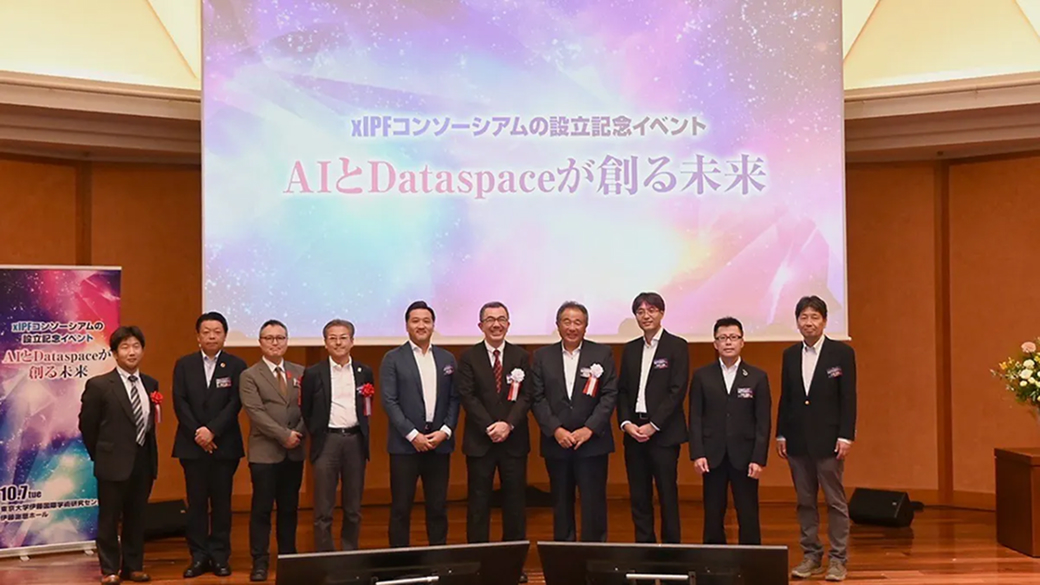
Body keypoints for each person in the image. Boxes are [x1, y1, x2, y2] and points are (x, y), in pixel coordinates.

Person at [777, 296, 857, 582]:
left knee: (835, 501)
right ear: (797, 321)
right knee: (805, 501)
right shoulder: (789, 354)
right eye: (804, 317)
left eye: (814, 317)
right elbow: (786, 397)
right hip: (797, 440)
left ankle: (838, 559)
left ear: (824, 321)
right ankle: (811, 555)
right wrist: (781, 433)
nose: (809, 323)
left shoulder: (841, 353)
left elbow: (848, 398)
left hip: (829, 440)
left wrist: (846, 435)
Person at [456, 302, 531, 581]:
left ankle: (513, 566)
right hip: (481, 441)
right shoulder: (468, 357)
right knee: (478, 505)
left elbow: (527, 396)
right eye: (490, 319)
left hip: (513, 440)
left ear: (508, 324)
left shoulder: (522, 356)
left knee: (515, 506)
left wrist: (507, 424)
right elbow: (467, 396)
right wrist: (490, 426)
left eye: (501, 319)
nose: (496, 324)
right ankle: (478, 565)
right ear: (481, 326)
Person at [530, 301, 618, 542]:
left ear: (586, 326)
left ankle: (594, 551)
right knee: (561, 502)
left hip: (592, 443)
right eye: (566, 322)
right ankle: (564, 552)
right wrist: (555, 430)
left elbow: (610, 394)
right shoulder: (542, 356)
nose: (572, 327)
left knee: (594, 503)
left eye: (577, 322)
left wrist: (589, 429)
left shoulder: (602, 354)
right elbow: (537, 397)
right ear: (557, 325)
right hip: (557, 443)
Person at [79, 326, 159, 584]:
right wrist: (101, 455)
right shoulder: (100, 385)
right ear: (114, 353)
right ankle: (110, 569)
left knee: (137, 517)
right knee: (109, 518)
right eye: (125, 347)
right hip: (112, 462)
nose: (131, 352)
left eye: (136, 346)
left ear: (142, 350)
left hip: (143, 462)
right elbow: (88, 426)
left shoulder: (150, 383)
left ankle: (133, 567)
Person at [172, 311, 247, 578]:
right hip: (192, 446)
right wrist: (199, 433)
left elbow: (235, 403)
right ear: (198, 336)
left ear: (225, 336)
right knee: (196, 504)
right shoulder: (184, 364)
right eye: (206, 332)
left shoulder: (236, 365)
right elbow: (180, 402)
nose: (212, 336)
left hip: (224, 445)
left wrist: (212, 431)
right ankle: (198, 556)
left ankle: (219, 555)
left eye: (217, 332)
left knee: (222, 504)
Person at [380, 301, 460, 547]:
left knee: (438, 507)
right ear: (407, 325)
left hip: (439, 444)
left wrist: (445, 431)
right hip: (405, 446)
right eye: (415, 321)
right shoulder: (393, 358)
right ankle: (399, 559)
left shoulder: (447, 358)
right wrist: (413, 434)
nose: (421, 325)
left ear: (433, 325)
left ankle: (438, 557)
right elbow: (389, 401)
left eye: (426, 321)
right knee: (401, 508)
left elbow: (455, 398)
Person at [689, 316, 771, 545]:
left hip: (745, 456)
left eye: (733, 337)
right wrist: (697, 453)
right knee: (713, 512)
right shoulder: (702, 376)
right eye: (722, 338)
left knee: (748, 512)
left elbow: (763, 421)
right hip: (711, 455)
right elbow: (695, 417)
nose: (728, 342)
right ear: (715, 343)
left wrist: (759, 458)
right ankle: (714, 559)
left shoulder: (757, 377)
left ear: (742, 342)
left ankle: (751, 558)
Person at [617, 292, 689, 544]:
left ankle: (671, 549)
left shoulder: (677, 346)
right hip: (633, 432)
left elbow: (677, 390)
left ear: (662, 313)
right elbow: (622, 390)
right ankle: (644, 547)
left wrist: (654, 425)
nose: (646, 316)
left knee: (667, 494)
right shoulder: (631, 349)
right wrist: (626, 423)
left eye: (651, 310)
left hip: (663, 433)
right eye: (640, 312)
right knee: (639, 496)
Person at [239, 320, 305, 582]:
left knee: (289, 508)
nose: (275, 343)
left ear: (287, 341)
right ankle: (260, 561)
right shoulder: (250, 375)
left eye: (280, 338)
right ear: (260, 342)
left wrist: (297, 433)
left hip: (294, 451)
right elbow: (255, 412)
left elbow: (309, 407)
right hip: (264, 453)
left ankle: (288, 558)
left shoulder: (301, 372)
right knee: (262, 509)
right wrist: (283, 435)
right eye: (269, 338)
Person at [301, 319, 373, 552]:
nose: (338, 343)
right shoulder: (313, 373)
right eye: (332, 338)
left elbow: (367, 407)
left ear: (352, 341)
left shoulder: (364, 371)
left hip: (355, 441)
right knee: (323, 508)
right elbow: (306, 409)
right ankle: (325, 556)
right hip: (327, 442)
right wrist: (318, 432)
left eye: (343, 338)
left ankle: (350, 553)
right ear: (325, 343)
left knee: (353, 507)